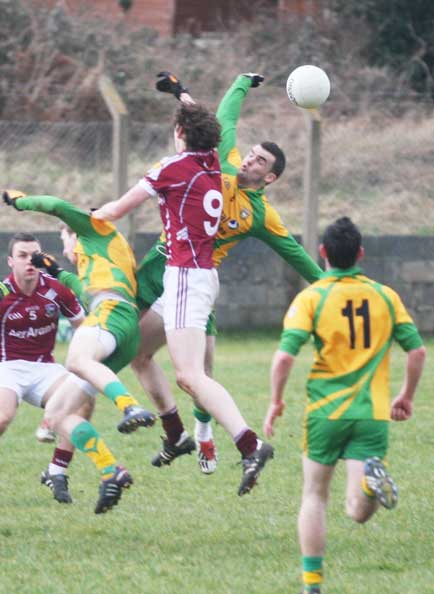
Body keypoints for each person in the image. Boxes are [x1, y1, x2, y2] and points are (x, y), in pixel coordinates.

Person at [131, 71, 323, 474]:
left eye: (260, 161)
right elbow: (222, 120)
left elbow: (297, 256)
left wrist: (333, 286)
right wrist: (238, 83)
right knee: (135, 351)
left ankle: (203, 437)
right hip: (161, 265)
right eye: (251, 153)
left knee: (200, 371)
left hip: (195, 281)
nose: (249, 159)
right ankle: (184, 435)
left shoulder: (260, 215)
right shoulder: (224, 160)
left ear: (268, 178)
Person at [93, 101, 274, 496]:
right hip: (201, 276)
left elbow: (115, 210)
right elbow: (216, 123)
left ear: (179, 133)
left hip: (185, 277)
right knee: (138, 351)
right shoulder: (212, 161)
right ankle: (176, 434)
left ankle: (251, 444)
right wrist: (183, 97)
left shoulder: (170, 168)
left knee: (191, 376)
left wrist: (82, 217)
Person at [263, 217, 426, 594]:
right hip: (371, 414)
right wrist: (406, 396)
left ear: (322, 253)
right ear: (361, 254)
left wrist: (275, 401)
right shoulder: (385, 296)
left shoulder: (313, 297)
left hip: (326, 412)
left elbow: (285, 358)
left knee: (314, 495)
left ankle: (312, 585)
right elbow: (417, 351)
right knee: (356, 511)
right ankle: (370, 486)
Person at [2, 193, 156, 513]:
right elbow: (78, 284)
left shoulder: (93, 228)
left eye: (63, 240)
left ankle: (129, 406)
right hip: (123, 330)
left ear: (74, 232)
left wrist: (20, 201)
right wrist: (55, 271)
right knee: (57, 414)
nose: (64, 249)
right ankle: (111, 471)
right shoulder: (98, 260)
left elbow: (57, 207)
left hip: (112, 312)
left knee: (75, 359)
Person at [0, 232, 91, 505]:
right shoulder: (0, 293)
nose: (29, 261)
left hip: (45, 368)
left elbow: (86, 329)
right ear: (10, 261)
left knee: (83, 398)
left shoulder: (56, 289)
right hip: (7, 367)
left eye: (35, 255)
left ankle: (57, 472)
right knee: (0, 419)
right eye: (22, 256)